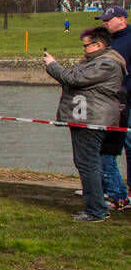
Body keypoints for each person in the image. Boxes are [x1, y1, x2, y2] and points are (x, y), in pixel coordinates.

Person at [45, 27, 125, 221]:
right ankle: (96, 207)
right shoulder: (96, 62)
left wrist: (52, 65)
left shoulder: (106, 63)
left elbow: (74, 78)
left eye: (86, 46)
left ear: (98, 45)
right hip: (85, 118)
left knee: (87, 163)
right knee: (87, 162)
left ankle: (96, 210)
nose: (84, 50)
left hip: (92, 120)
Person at [99, 6, 131, 184]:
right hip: (108, 100)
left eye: (108, 20)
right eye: (103, 20)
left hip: (127, 100)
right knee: (106, 145)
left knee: (130, 145)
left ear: (122, 19)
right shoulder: (106, 40)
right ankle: (105, 187)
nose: (105, 23)